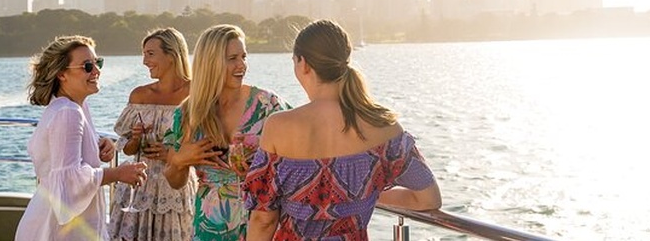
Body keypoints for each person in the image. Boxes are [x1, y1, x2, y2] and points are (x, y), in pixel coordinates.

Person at [242, 19, 442, 241]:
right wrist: (366, 197)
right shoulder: (385, 127)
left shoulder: (279, 127)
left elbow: (264, 220)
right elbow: (428, 199)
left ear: (303, 64)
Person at [163, 23, 291, 241]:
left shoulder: (267, 105)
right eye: (232, 59)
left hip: (263, 225)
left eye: (244, 57)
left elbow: (297, 159)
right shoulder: (187, 114)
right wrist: (178, 161)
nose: (241, 65)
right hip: (209, 229)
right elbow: (175, 181)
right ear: (210, 63)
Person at [15, 35, 148, 241]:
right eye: (87, 66)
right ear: (62, 74)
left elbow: (62, 154)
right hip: (57, 230)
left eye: (98, 63)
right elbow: (70, 182)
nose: (97, 71)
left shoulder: (73, 107)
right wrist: (118, 173)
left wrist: (97, 145)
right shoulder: (68, 113)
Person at [108, 28, 197, 241]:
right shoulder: (139, 95)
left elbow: (204, 143)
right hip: (138, 188)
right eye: (144, 54)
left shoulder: (195, 94)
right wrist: (136, 137)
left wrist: (171, 154)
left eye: (150, 54)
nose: (144, 61)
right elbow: (128, 148)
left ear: (172, 55)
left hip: (176, 186)